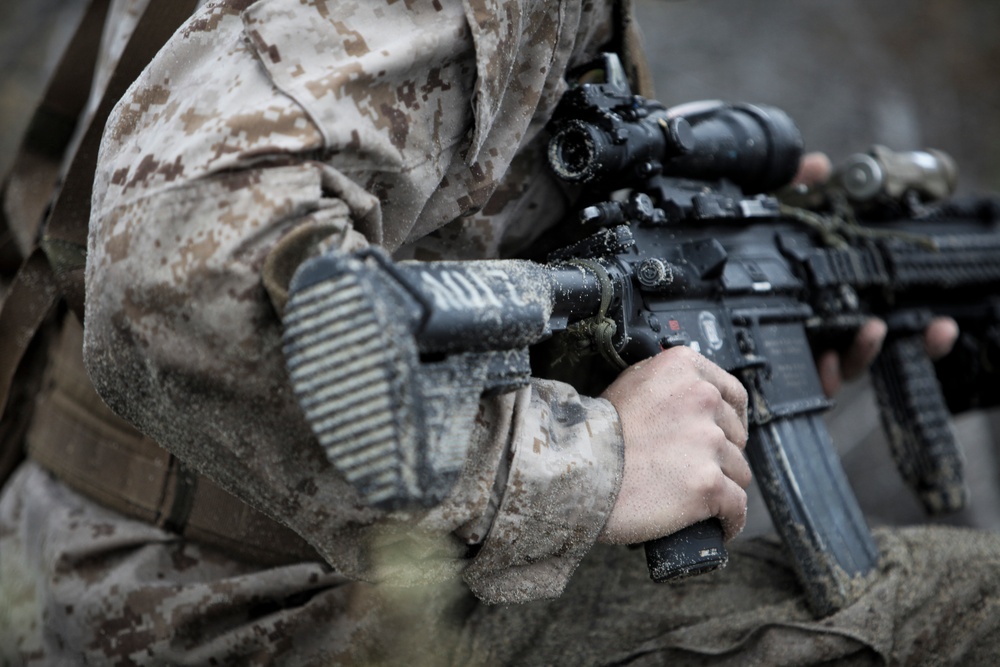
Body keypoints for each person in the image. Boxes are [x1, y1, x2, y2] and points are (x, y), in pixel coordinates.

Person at [0, 0, 996, 665]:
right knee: (973, 605)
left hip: (75, 523)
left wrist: (703, 336)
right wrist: (587, 462)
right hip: (238, 600)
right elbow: (179, 269)